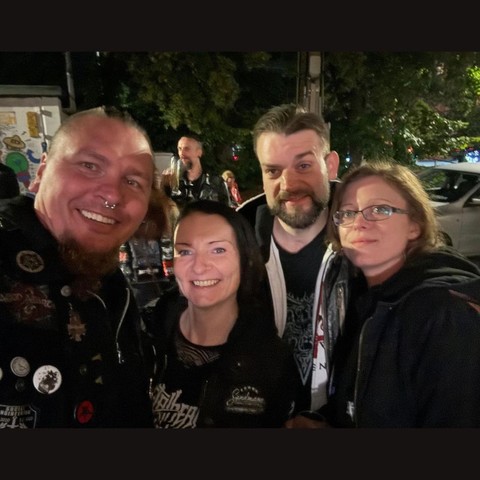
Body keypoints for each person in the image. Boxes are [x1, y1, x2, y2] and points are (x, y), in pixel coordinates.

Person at [0, 106, 164, 428]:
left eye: (132, 181)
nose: (112, 195)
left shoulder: (115, 289)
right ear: (41, 171)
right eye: (89, 165)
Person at [323, 160, 480, 427]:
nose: (359, 222)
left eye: (380, 209)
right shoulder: (368, 299)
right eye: (347, 213)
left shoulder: (445, 315)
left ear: (414, 226)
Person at [236, 103, 352, 428]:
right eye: (273, 170)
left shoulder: (365, 245)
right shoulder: (233, 250)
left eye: (303, 165)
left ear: (330, 165)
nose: (288, 183)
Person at [145, 199, 301, 428]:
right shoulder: (143, 333)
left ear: (245, 259)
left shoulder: (271, 362)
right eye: (185, 251)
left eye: (218, 250)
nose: (199, 266)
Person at [161, 135, 230, 208]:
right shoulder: (174, 183)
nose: (181, 153)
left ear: (199, 153)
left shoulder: (215, 182)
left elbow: (227, 213)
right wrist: (165, 188)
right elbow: (166, 210)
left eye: (186, 149)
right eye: (180, 149)